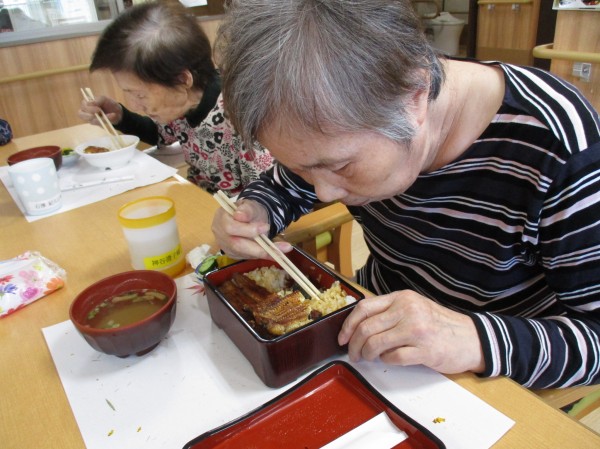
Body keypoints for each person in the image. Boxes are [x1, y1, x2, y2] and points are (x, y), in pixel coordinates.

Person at [211, 0, 600, 389]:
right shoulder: (357, 110)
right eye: (303, 168)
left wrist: (474, 339)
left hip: (491, 375)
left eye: (341, 166)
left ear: (415, 97)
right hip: (371, 328)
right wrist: (255, 210)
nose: (323, 190)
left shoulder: (565, 149)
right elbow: (287, 185)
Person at [78, 1, 273, 195]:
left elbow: (265, 194)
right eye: (128, 92)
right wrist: (121, 116)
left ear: (182, 79)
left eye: (140, 95)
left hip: (239, 207)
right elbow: (159, 133)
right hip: (198, 195)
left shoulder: (241, 114)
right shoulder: (182, 105)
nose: (134, 104)